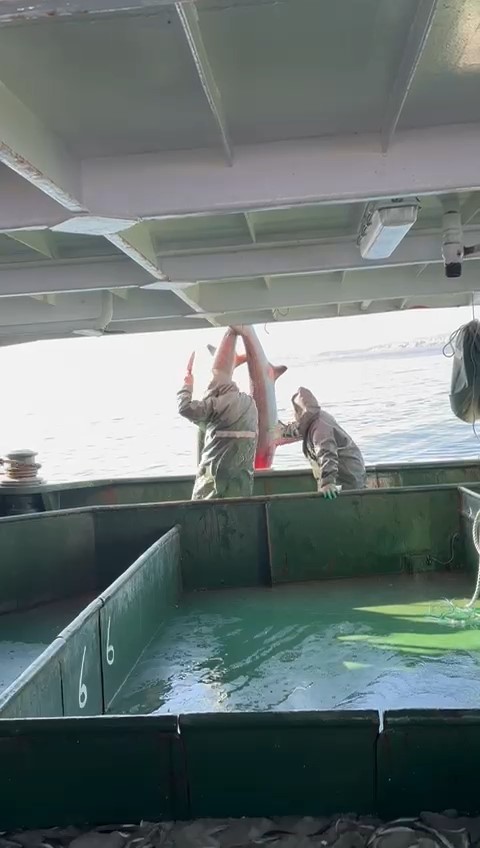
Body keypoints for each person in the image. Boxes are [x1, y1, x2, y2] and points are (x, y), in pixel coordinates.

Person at [177, 349, 258, 500]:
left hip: (213, 488)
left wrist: (187, 385)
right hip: (241, 488)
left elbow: (185, 409)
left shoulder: (215, 406)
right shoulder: (250, 404)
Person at [278, 387, 366, 499]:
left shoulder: (320, 427)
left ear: (299, 412)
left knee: (343, 500)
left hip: (346, 476)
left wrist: (328, 482)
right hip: (344, 472)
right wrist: (282, 431)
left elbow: (326, 453)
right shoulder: (314, 418)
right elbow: (299, 428)